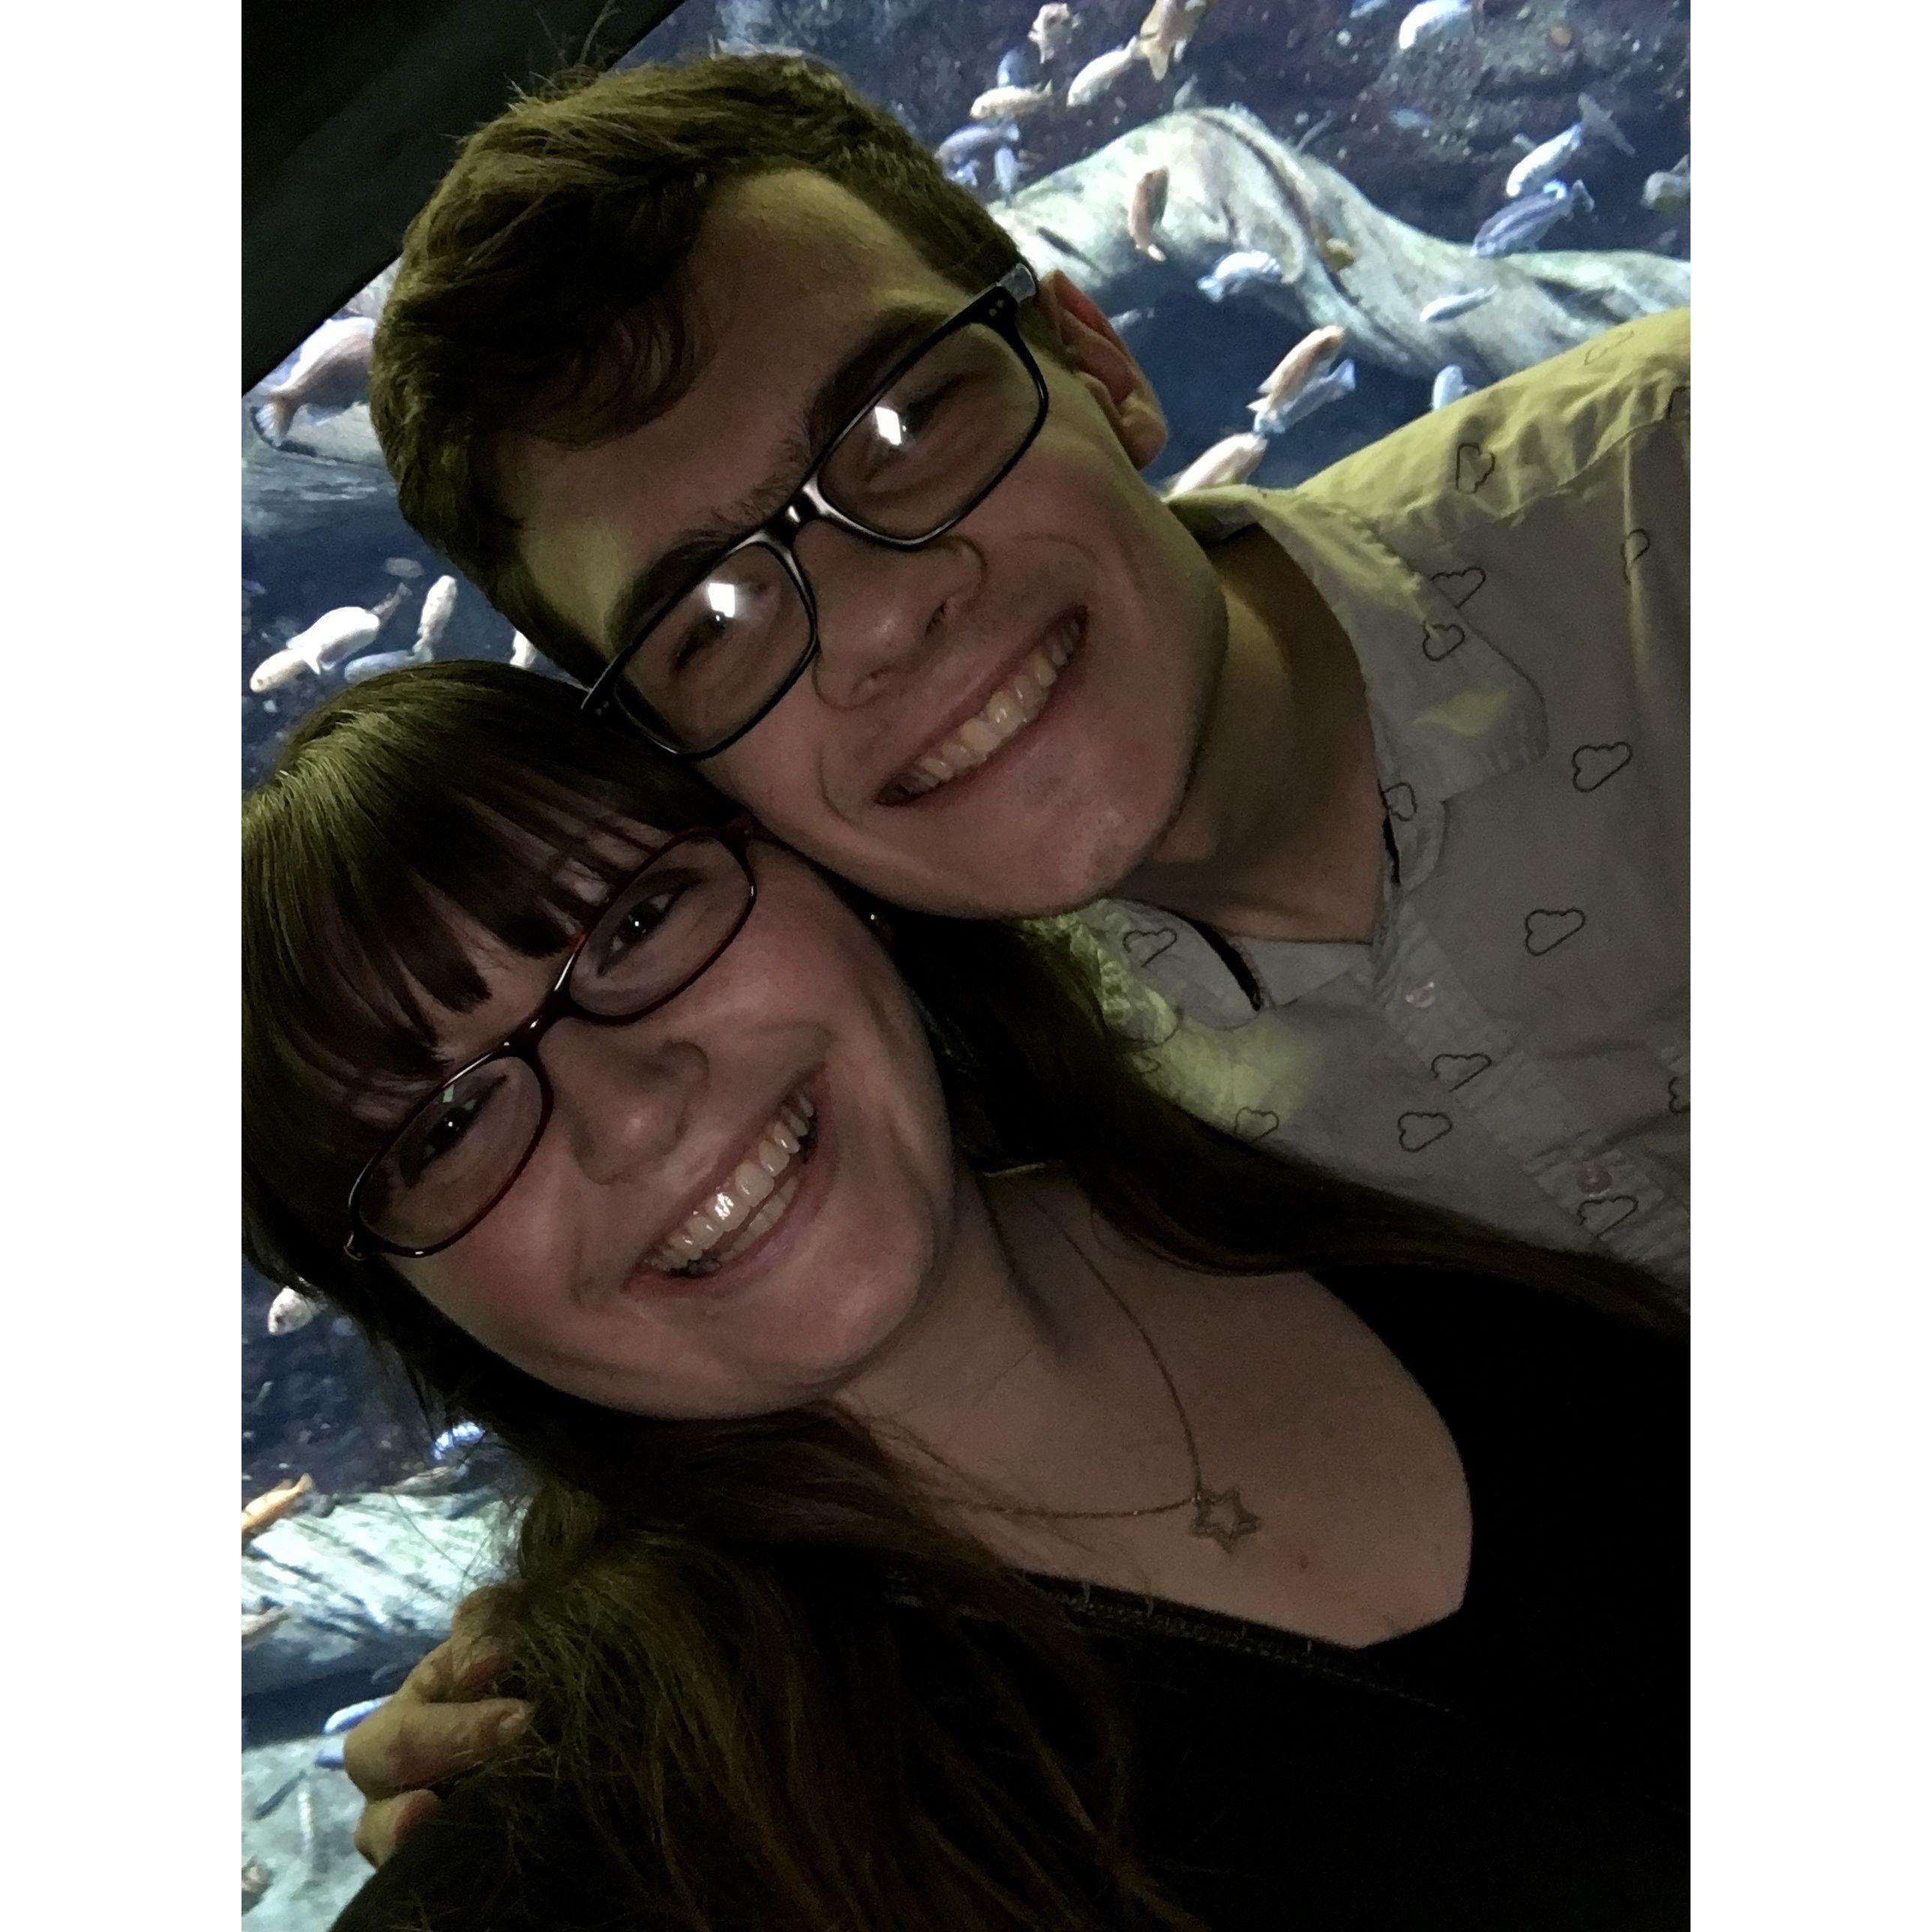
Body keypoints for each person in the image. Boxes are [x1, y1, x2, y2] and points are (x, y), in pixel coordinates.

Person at [244, 663, 1687, 1930]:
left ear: (816, 865)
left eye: (633, 925)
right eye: (444, 1129)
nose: (629, 1109)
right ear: (410, 1304)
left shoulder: (1347, 1119)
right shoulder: (618, 1844)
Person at [366, 52, 1690, 1295]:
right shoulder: (947, 1132)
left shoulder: (1684, 492)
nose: (880, 616)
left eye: (904, 423)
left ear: (1099, 369)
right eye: (710, 620)